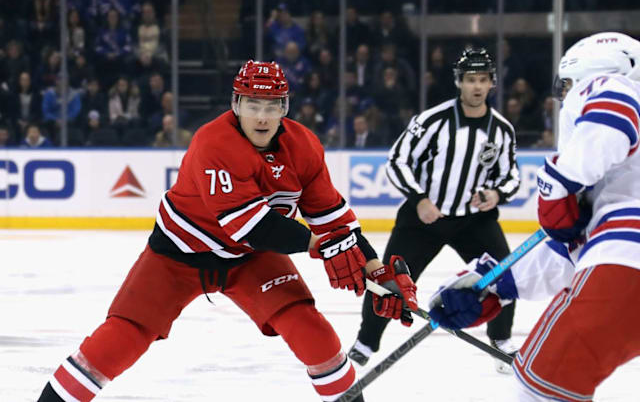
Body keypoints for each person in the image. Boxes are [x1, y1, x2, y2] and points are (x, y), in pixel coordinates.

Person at [36, 60, 419, 402]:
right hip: (178, 255)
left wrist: (374, 268)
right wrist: (324, 247)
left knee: (314, 335)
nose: (263, 117)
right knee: (117, 343)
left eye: (272, 106)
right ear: (236, 105)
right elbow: (251, 226)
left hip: (250, 261)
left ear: (284, 108)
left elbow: (334, 220)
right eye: (253, 105)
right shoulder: (214, 142)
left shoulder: (303, 146)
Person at [427, 32, 640, 402]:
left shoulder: (613, 86)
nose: (563, 99)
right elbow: (573, 253)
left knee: (543, 383)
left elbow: (614, 111)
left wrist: (557, 184)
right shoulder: (618, 181)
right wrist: (493, 282)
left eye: (568, 86)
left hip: (627, 261)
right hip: (622, 258)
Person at [348, 48, 521, 374]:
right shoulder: (432, 120)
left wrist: (496, 193)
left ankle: (501, 341)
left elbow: (511, 175)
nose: (477, 87)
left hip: (473, 221)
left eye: (483, 80)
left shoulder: (502, 130)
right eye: (471, 80)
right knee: (390, 282)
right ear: (459, 82)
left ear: (492, 83)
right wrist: (419, 199)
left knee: (503, 274)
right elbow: (397, 161)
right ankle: (365, 343)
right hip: (422, 220)